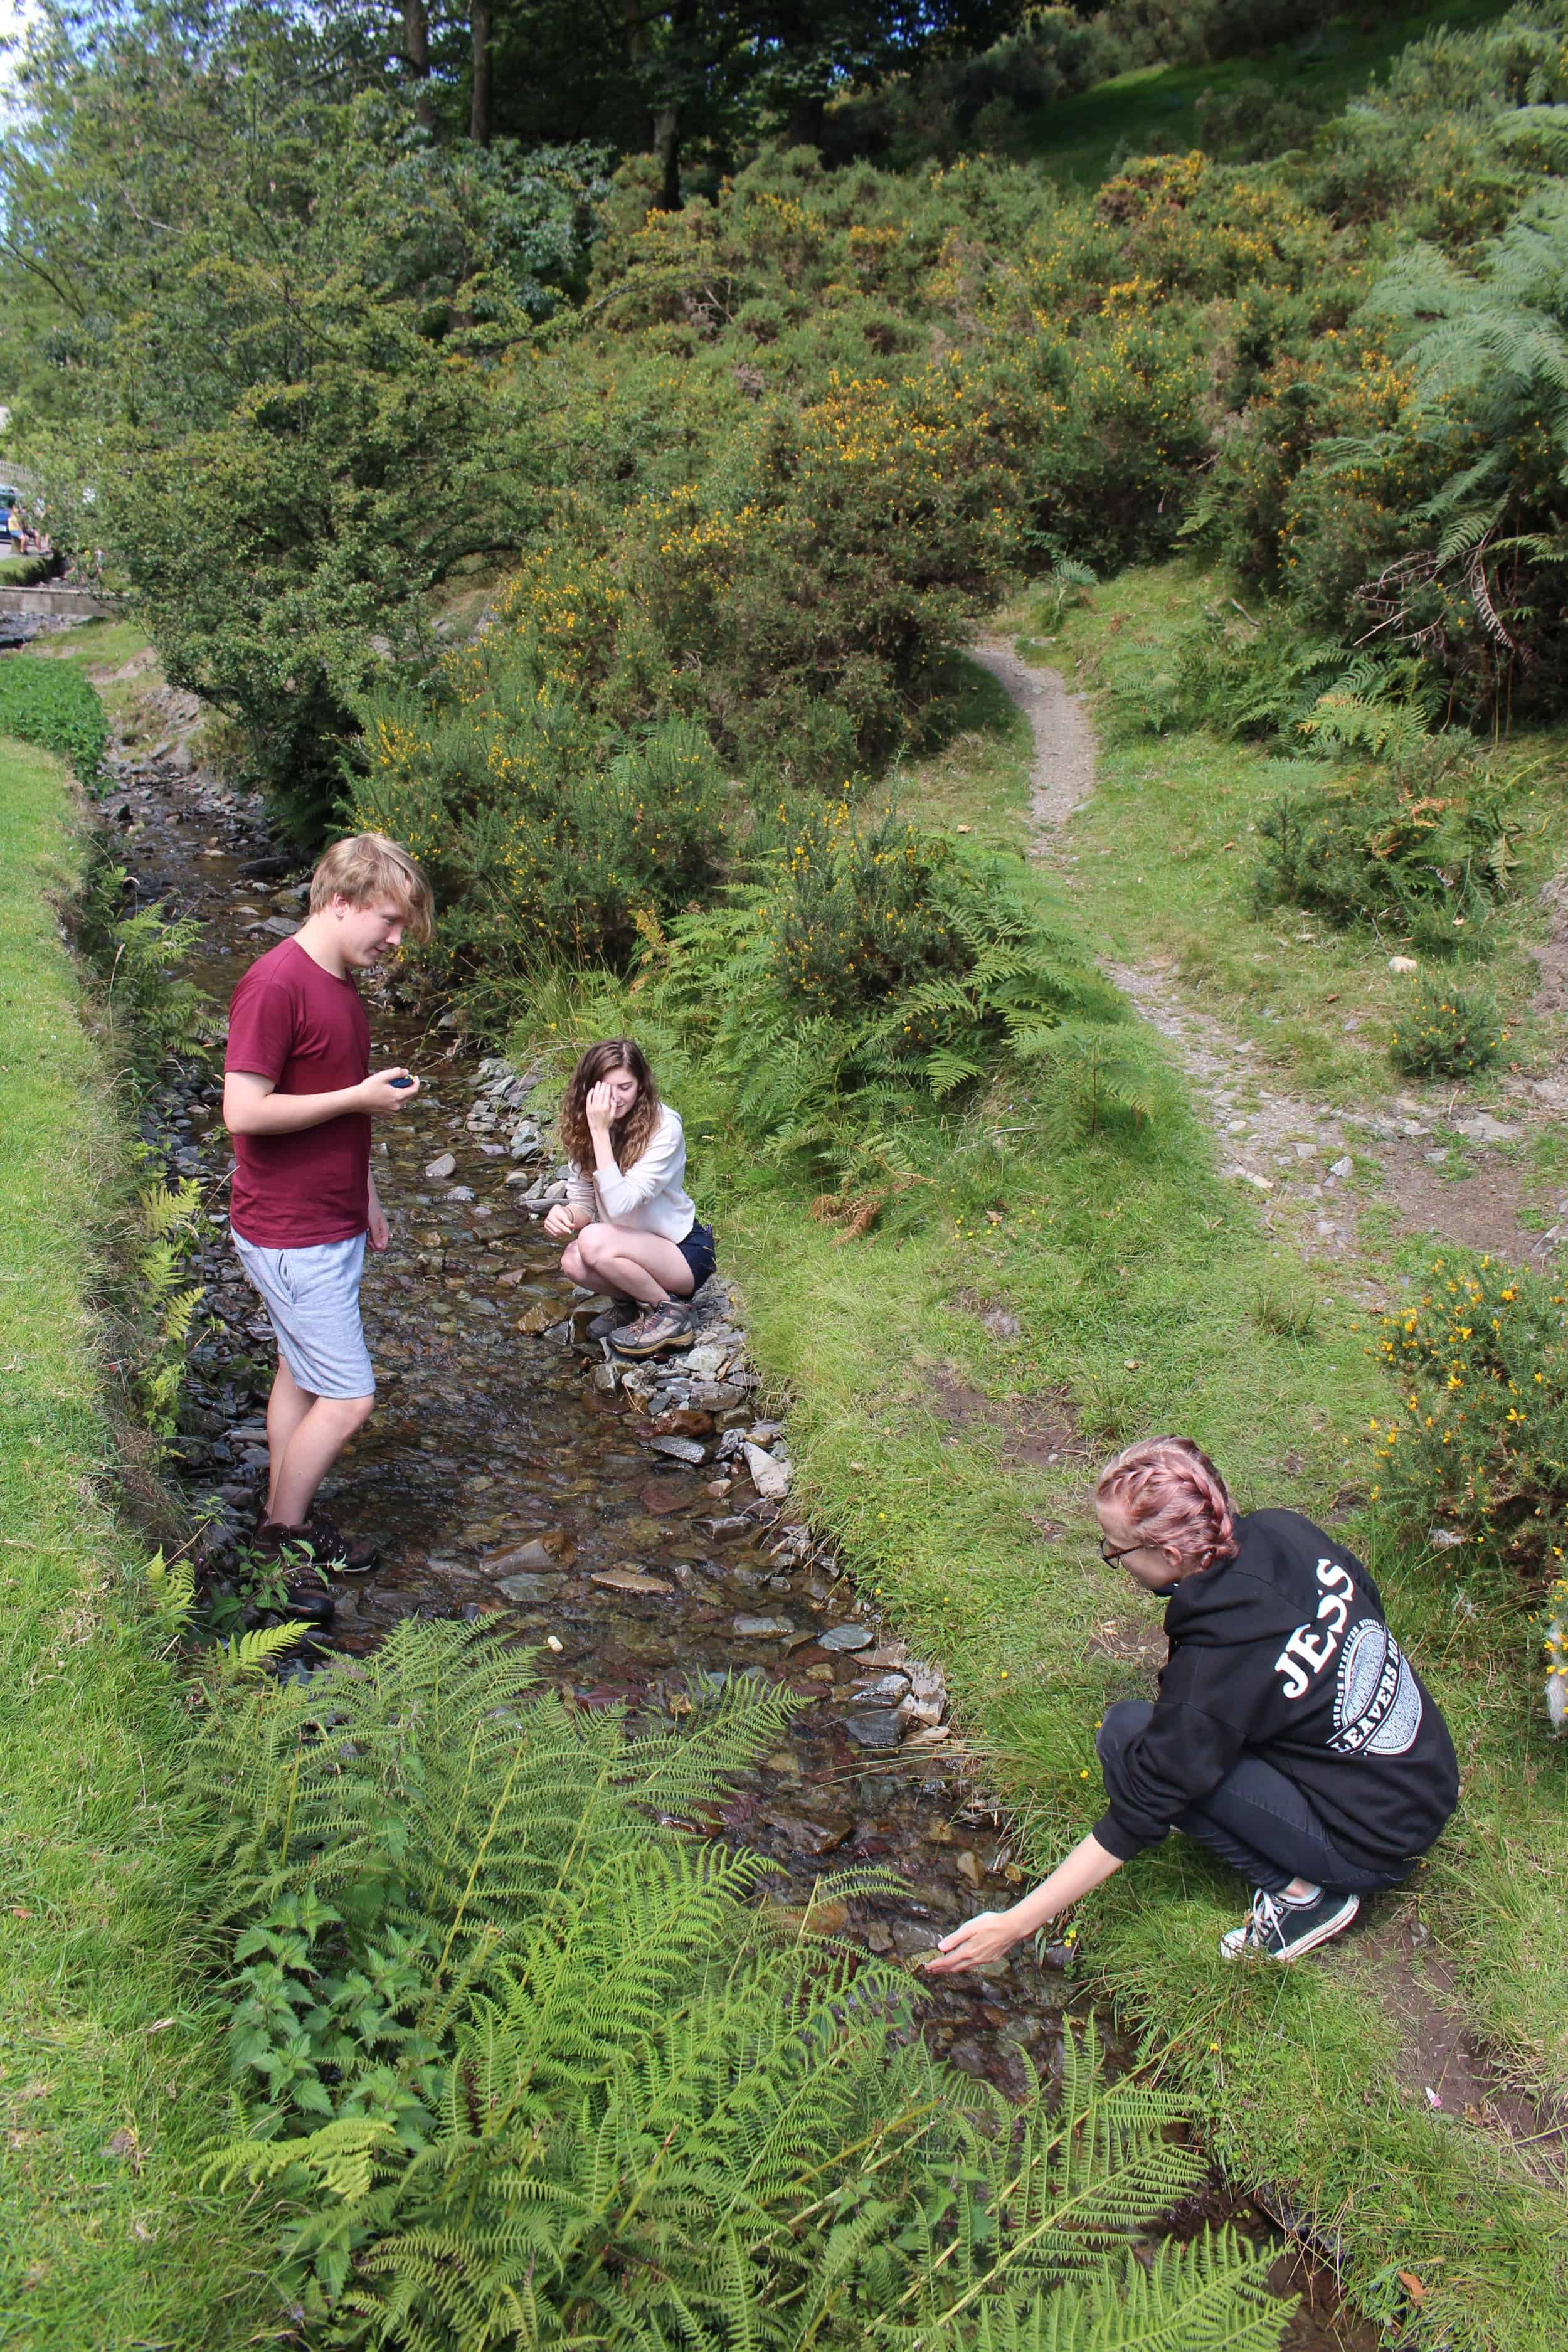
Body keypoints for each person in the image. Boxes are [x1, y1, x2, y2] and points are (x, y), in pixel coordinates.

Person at [927, 1436, 1458, 1972]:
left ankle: (1308, 1898)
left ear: (1171, 1554)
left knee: (1127, 1738)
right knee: (1193, 1739)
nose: (1113, 1559)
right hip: (1429, 1774)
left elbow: (1146, 1802)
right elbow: (1369, 1601)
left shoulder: (1216, 1662)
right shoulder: (1283, 1530)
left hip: (1374, 1843)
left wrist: (1016, 1923)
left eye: (1115, 1549)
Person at [222, 832, 434, 1616]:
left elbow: (333, 1101)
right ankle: (280, 1534)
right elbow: (243, 1111)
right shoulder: (276, 984)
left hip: (327, 1219)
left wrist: (366, 1192)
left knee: (301, 1374)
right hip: (289, 1231)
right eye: (388, 921)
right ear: (338, 902)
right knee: (349, 1399)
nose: (396, 939)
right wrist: (359, 1100)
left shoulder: (340, 981)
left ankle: (288, 1511)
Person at [543, 1038, 715, 1360]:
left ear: (640, 1086)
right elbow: (584, 1205)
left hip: (682, 1251)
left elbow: (622, 1204)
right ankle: (632, 1305)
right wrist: (565, 1215)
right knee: (572, 1259)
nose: (615, 1098)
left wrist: (599, 1133)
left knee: (592, 1240)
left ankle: (671, 1314)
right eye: (605, 1088)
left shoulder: (665, 1127)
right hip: (628, 1247)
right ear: (588, 1088)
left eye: (625, 1087)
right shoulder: (585, 1127)